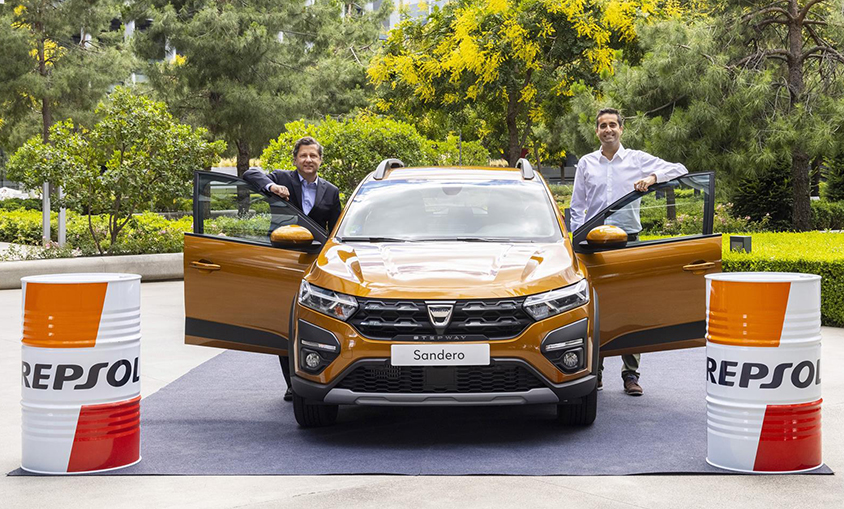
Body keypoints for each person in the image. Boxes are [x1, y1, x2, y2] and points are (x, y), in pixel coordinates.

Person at [570, 108, 688, 396]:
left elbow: (680, 168)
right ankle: (595, 373)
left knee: (632, 306)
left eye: (613, 124)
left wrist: (652, 178)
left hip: (628, 241)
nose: (608, 130)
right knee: (594, 306)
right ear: (596, 131)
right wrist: (576, 241)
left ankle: (630, 375)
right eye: (602, 126)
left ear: (621, 129)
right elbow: (577, 206)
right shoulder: (586, 163)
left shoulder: (637, 159)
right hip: (594, 244)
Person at [243, 136, 342, 402]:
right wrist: (272, 186)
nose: (308, 160)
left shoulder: (331, 191)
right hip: (283, 261)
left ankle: (318, 375)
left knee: (313, 321)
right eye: (303, 155)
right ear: (295, 159)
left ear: (320, 160)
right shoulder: (281, 179)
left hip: (314, 264)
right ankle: (291, 383)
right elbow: (250, 173)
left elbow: (335, 230)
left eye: (313, 156)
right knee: (284, 323)